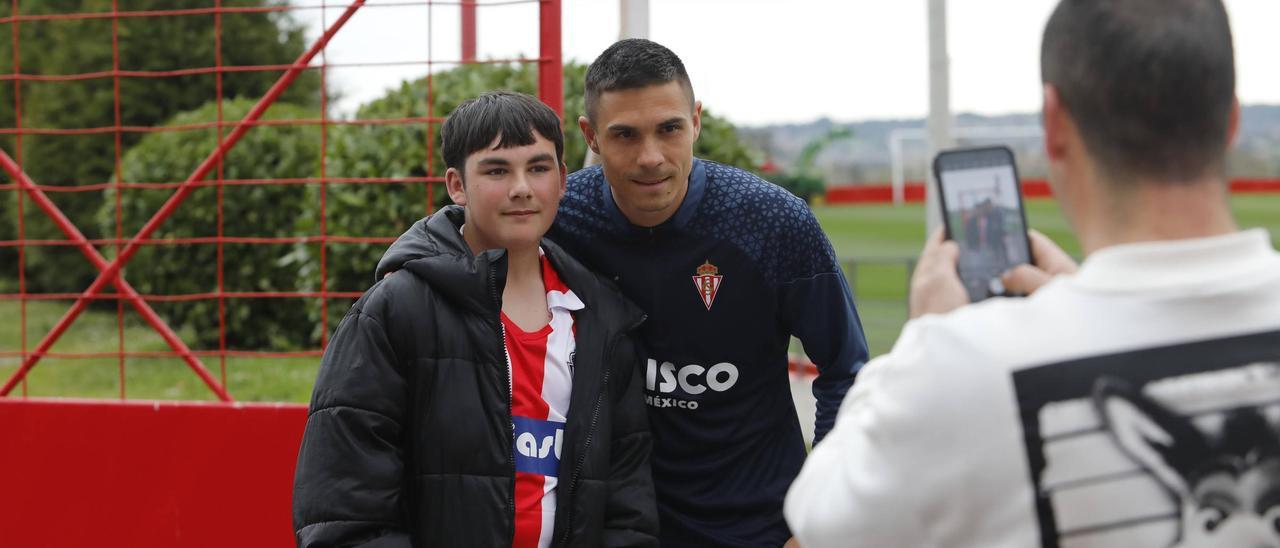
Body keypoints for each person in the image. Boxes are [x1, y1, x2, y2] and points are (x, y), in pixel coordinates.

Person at [785, 1, 1280, 546]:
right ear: (1232, 119)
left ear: (1054, 124)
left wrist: (920, 344)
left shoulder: (957, 366)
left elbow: (821, 521)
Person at [293, 91, 658, 547]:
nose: (522, 187)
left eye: (538, 168)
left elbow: (628, 507)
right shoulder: (394, 311)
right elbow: (344, 507)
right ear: (457, 185)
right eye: (497, 170)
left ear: (563, 180)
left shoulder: (602, 319)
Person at [548, 39, 870, 547]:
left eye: (669, 129)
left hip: (761, 527)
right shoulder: (560, 217)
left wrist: (819, 516)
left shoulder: (772, 221)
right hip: (616, 528)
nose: (650, 157)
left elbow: (847, 370)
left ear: (695, 121)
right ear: (590, 136)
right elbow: (468, 225)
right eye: (625, 135)